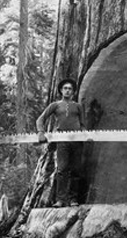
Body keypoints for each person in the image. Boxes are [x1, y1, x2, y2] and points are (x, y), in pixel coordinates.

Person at [36, 78, 85, 207]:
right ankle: (60, 200)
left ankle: (73, 199)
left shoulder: (78, 106)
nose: (67, 91)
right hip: (62, 140)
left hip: (77, 140)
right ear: (61, 90)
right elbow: (40, 119)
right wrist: (41, 132)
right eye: (65, 88)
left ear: (73, 91)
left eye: (70, 89)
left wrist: (86, 136)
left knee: (76, 170)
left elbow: (83, 125)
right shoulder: (55, 105)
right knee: (62, 169)